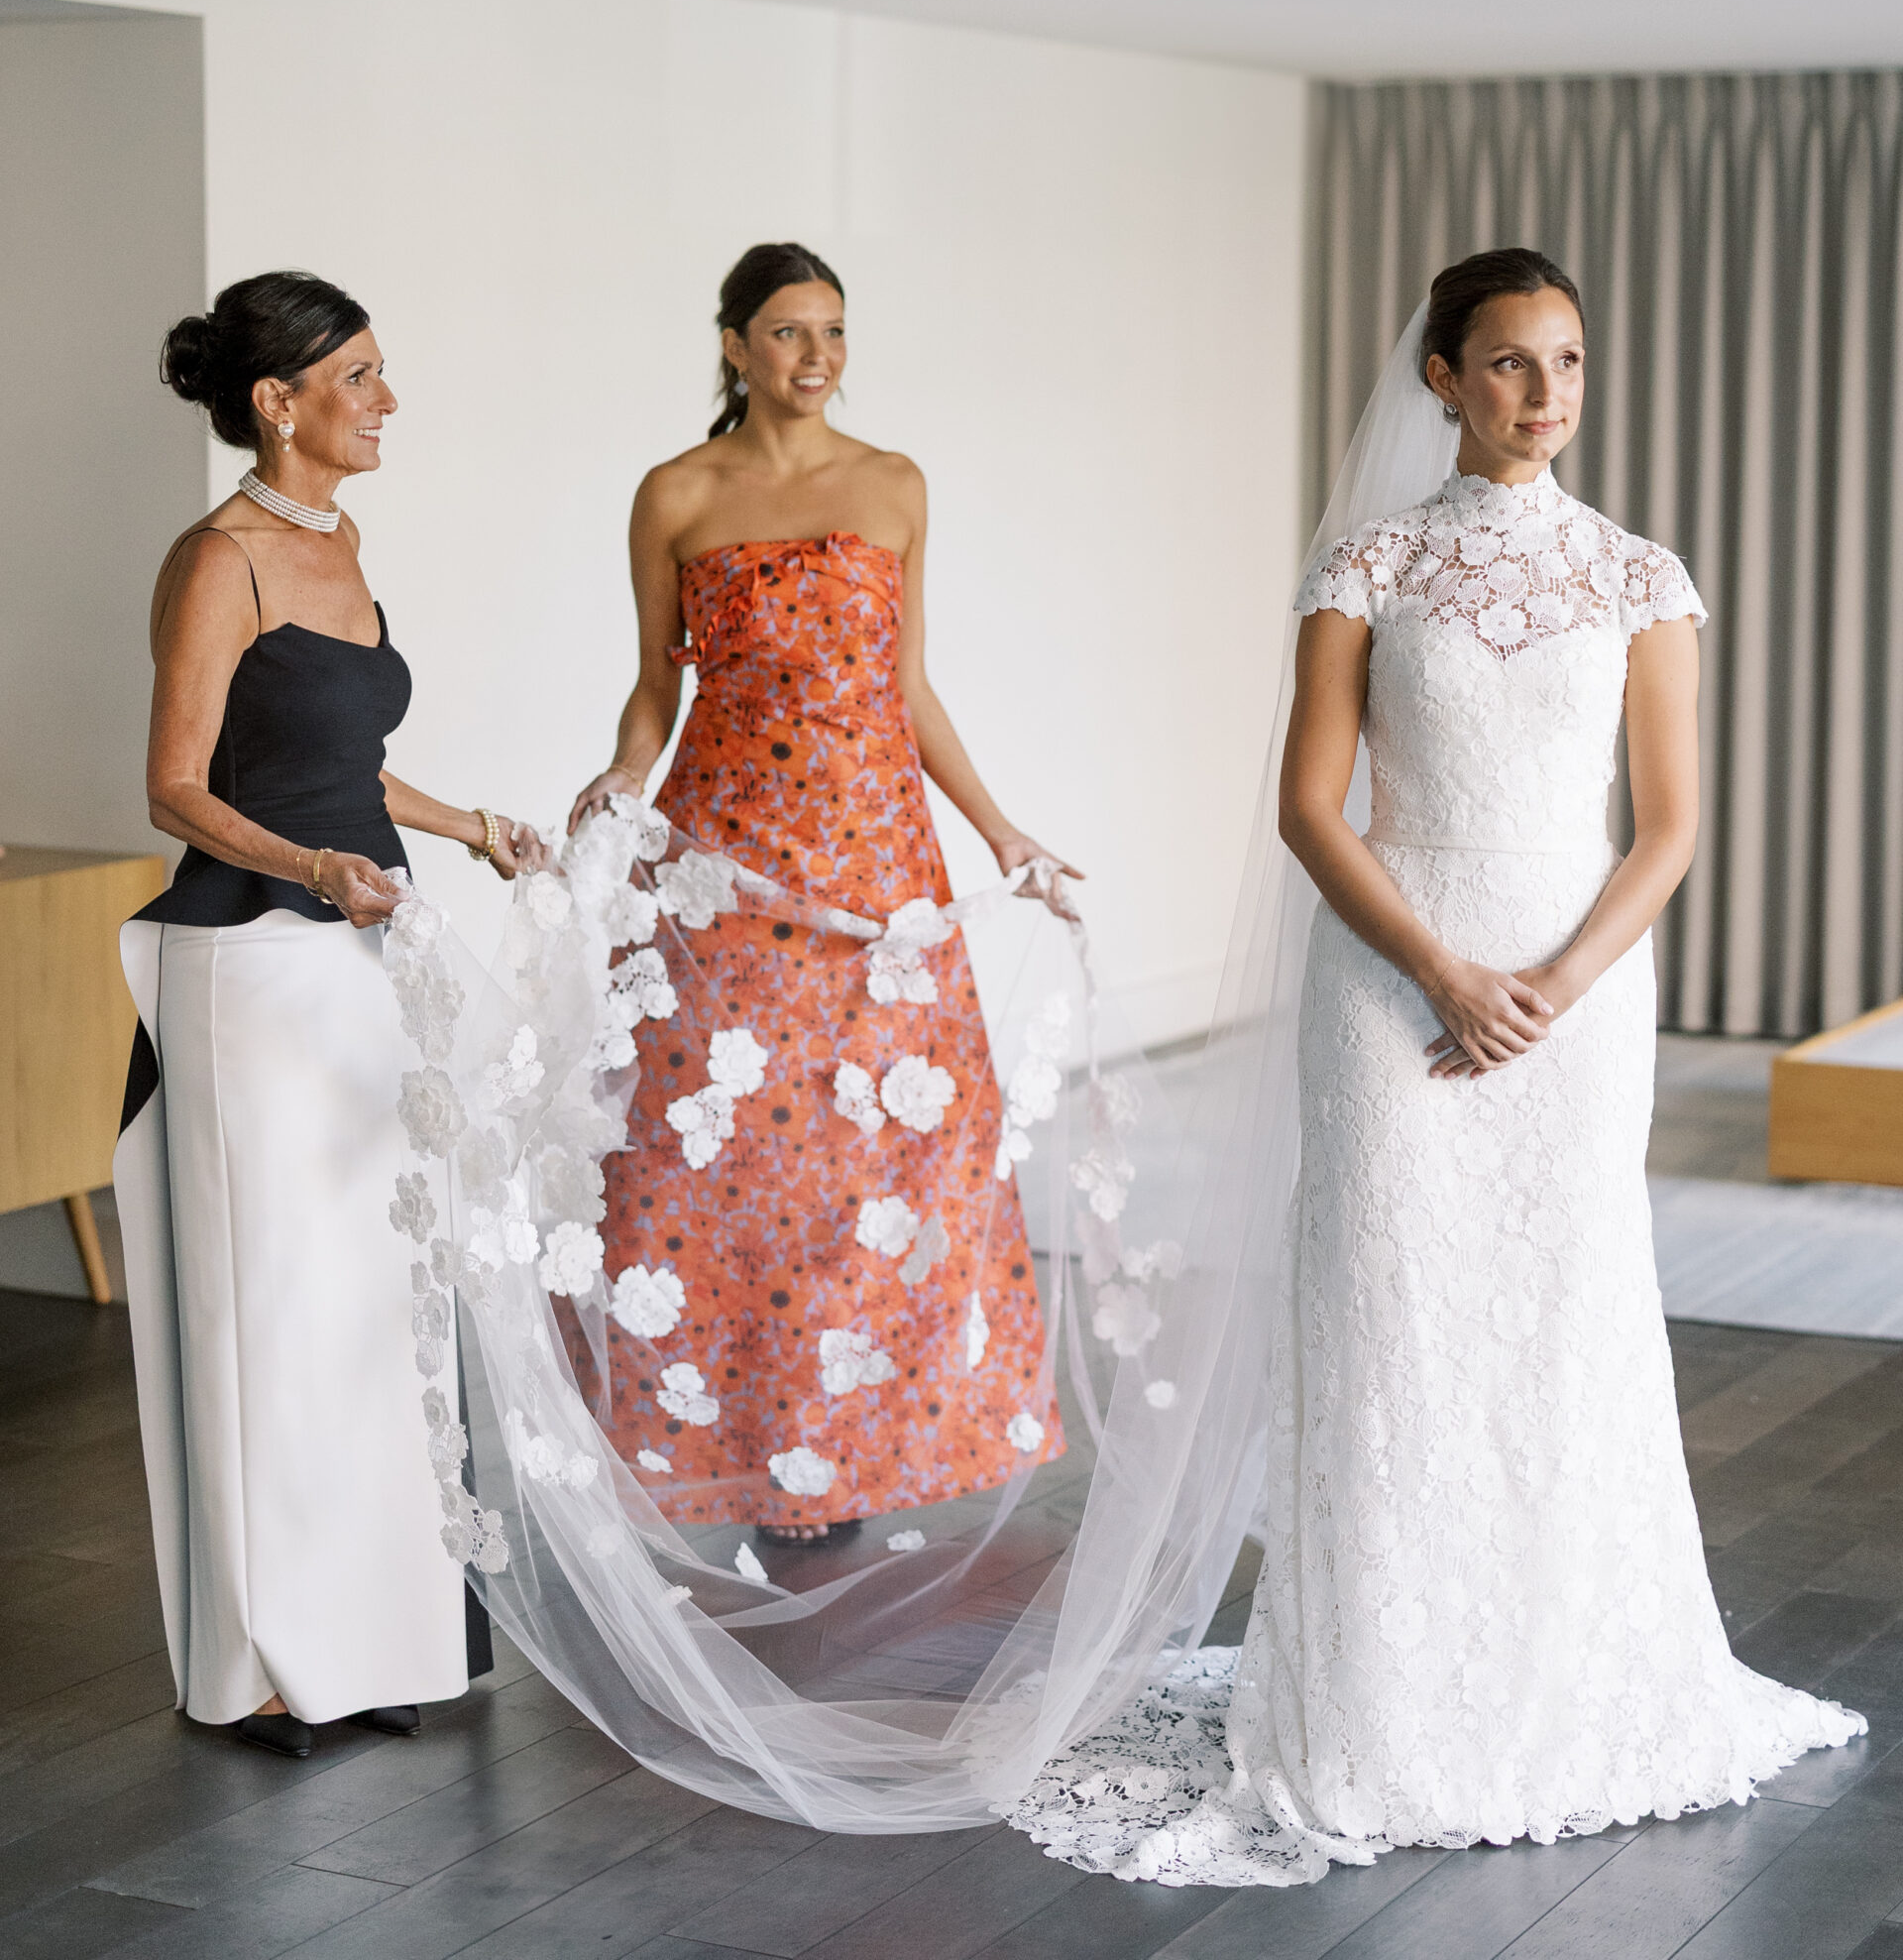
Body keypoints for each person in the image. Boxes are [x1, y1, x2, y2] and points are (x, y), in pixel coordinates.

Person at [1010, 249, 1861, 1882]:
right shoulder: (1369, 561)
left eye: (1569, 362)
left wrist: (1550, 985)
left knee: (1563, 1317)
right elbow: (1309, 807)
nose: (1546, 394)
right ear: (1443, 379)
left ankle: (1571, 1672)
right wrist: (1443, 973)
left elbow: (1669, 828)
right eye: (1511, 363)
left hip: (1576, 998)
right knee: (1391, 1315)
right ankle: (1376, 1703)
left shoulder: (1642, 578)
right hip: (1392, 984)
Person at [568, 241, 1077, 1542]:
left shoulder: (894, 483)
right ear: (735, 345)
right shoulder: (676, 492)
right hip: (725, 864)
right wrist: (624, 774)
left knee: (870, 1157)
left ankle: (845, 1450)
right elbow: (656, 684)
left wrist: (1003, 834)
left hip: (875, 865)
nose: (818, 357)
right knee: (726, 1153)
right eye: (791, 332)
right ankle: (738, 1447)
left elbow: (908, 687)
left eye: (835, 331)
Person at [116, 271, 534, 1758]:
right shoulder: (215, 561)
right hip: (253, 968)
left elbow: (343, 761)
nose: (386, 401)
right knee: (272, 1308)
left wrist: (468, 825)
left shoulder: (344, 544)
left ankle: (369, 1639)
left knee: (375, 1305)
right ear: (276, 403)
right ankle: (265, 1663)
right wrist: (312, 870)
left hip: (370, 962)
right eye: (358, 377)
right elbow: (175, 787)